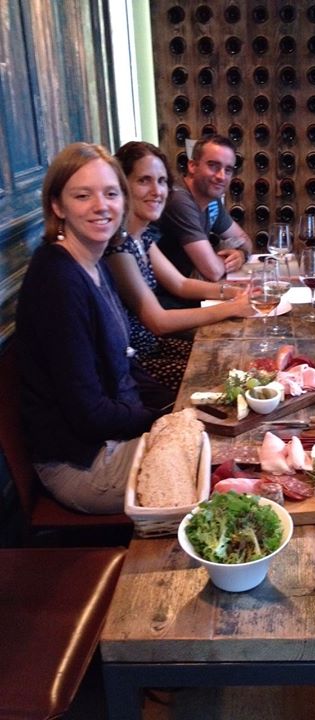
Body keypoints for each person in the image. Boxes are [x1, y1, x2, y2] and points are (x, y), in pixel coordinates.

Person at [16, 142, 172, 514]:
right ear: (58, 206)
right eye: (83, 195)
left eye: (111, 193)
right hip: (84, 463)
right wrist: (159, 420)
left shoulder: (94, 260)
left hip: (114, 436)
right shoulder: (57, 280)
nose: (101, 206)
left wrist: (172, 405)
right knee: (214, 456)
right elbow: (89, 415)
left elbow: (124, 362)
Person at [106, 141, 253, 392]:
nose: (157, 191)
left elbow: (181, 283)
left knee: (240, 364)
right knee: (226, 379)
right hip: (137, 362)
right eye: (144, 180)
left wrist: (233, 292)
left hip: (154, 345)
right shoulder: (118, 248)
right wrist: (231, 307)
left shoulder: (141, 237)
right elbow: (158, 321)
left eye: (162, 181)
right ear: (122, 185)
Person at [157, 134, 253, 293]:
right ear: (192, 166)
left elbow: (245, 241)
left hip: (189, 291)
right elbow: (213, 271)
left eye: (228, 170)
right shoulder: (178, 200)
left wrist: (241, 254)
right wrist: (228, 259)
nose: (221, 176)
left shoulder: (212, 200)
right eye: (213, 166)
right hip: (166, 299)